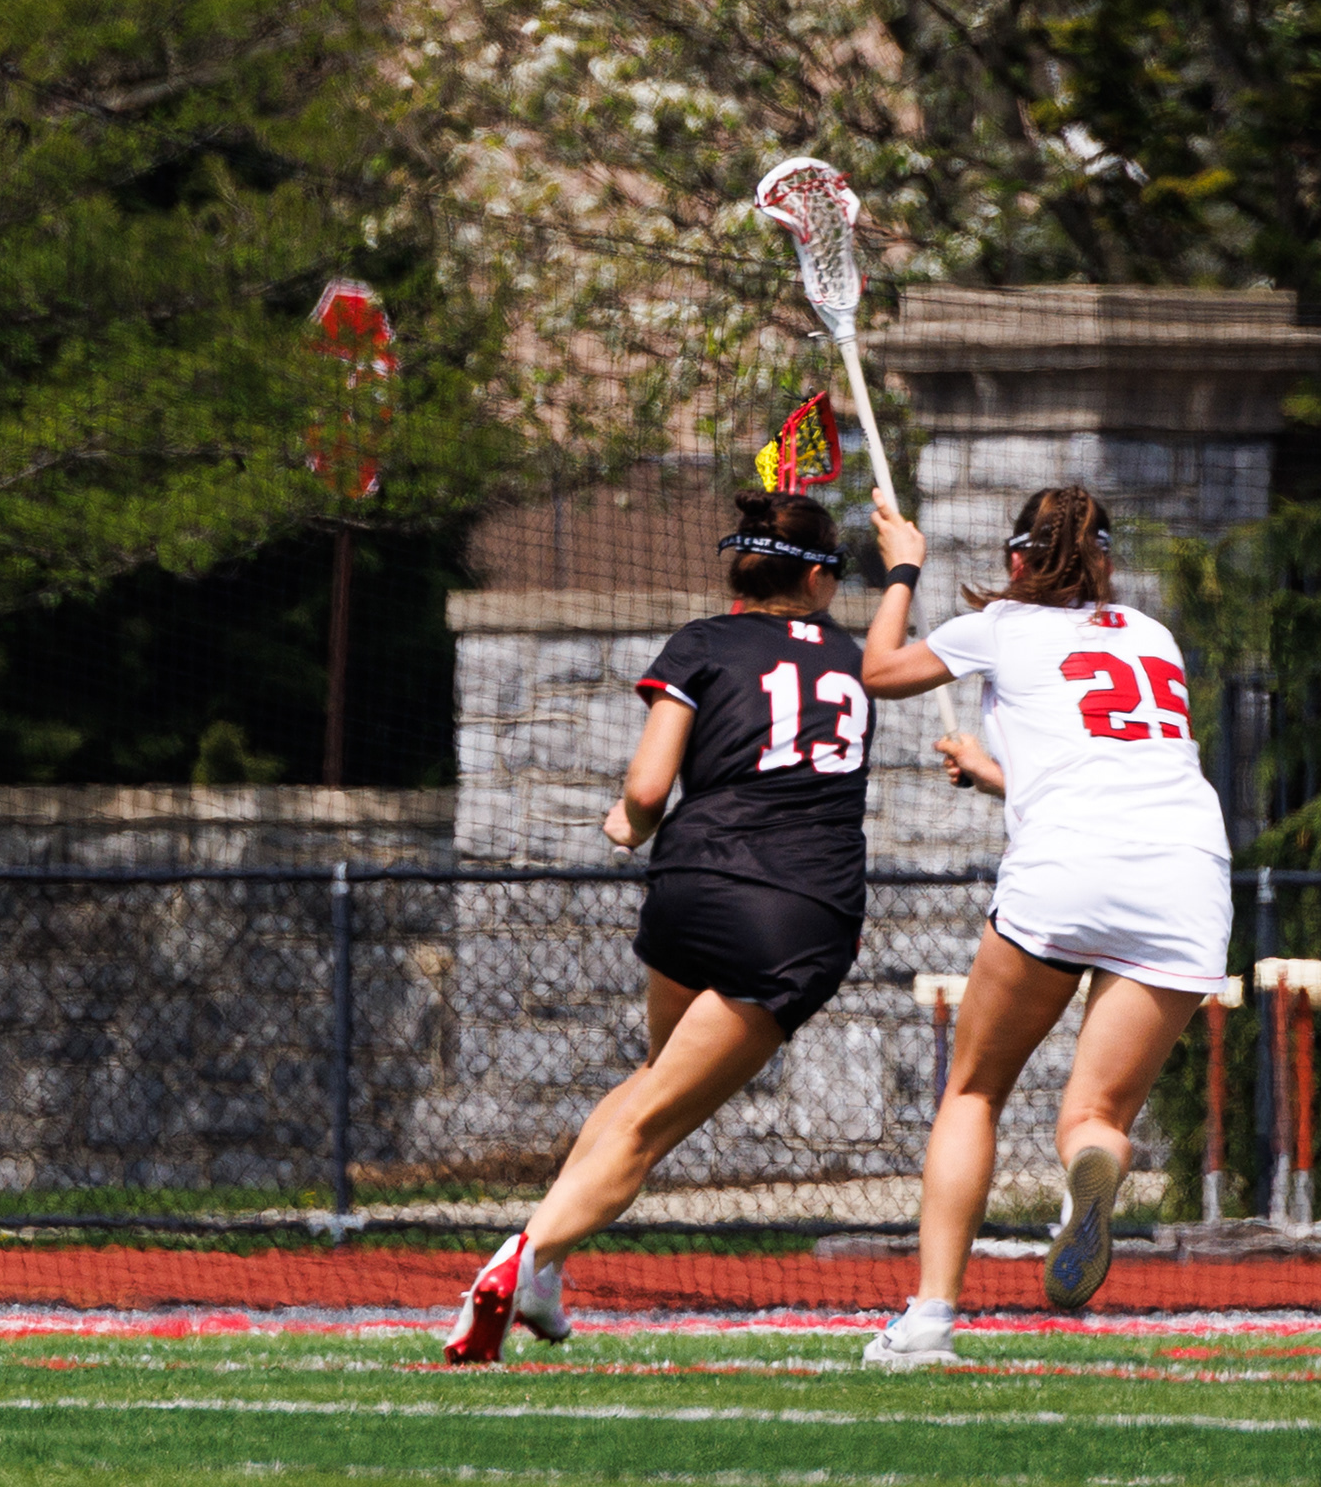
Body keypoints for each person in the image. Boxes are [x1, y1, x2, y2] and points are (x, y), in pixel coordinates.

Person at [443, 487, 875, 1363]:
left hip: (689, 887)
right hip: (793, 911)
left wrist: (627, 824)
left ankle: (543, 1271)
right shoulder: (852, 653)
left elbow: (646, 790)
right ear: (819, 579)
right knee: (651, 1128)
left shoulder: (703, 641)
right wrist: (902, 571)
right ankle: (524, 1256)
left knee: (650, 1080)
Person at [856, 483, 1231, 1369]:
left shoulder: (1001, 627)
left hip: (1066, 868)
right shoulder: (1153, 637)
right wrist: (995, 772)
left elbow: (879, 672)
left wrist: (903, 569)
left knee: (974, 1093)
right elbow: (1109, 759)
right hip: (1186, 873)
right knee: (1095, 1114)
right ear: (1105, 559)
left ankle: (931, 1320)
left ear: (1018, 559)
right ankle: (1089, 1178)